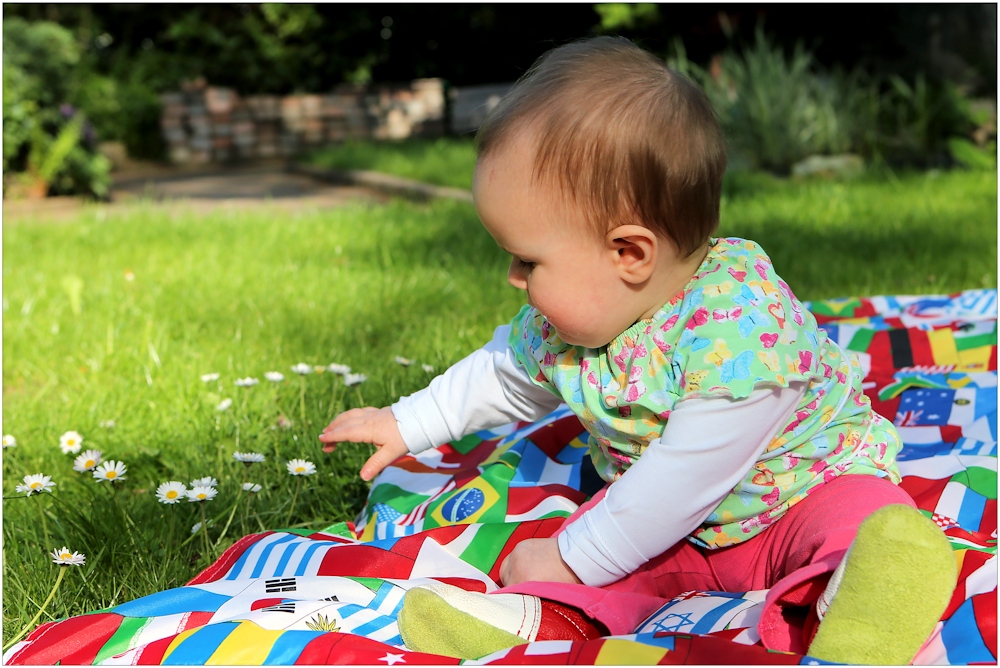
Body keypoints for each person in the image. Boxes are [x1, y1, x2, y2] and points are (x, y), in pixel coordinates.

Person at [320, 37, 956, 665]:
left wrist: (576, 555)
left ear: (629, 254)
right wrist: (408, 421)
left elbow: (686, 476)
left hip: (800, 494)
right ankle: (528, 617)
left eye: (527, 260)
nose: (513, 279)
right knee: (589, 563)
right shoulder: (576, 323)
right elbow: (506, 375)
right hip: (675, 531)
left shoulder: (739, 330)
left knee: (864, 522)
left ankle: (866, 613)